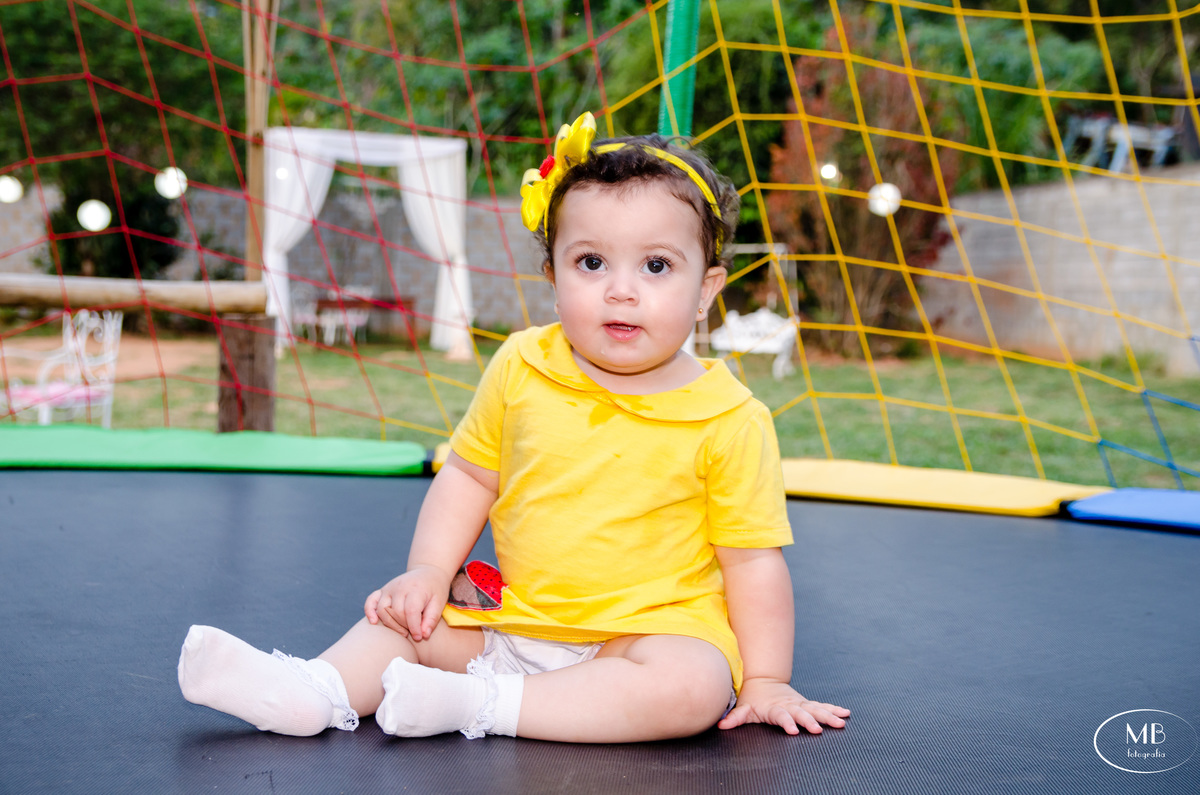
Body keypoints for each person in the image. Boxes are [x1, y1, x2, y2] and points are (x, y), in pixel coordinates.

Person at [178, 112, 849, 743]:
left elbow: (753, 561)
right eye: (592, 262)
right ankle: (311, 688)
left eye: (655, 266)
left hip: (644, 637)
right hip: (512, 623)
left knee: (693, 686)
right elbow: (470, 474)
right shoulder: (522, 362)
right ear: (553, 274)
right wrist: (427, 571)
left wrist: (764, 679)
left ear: (705, 289)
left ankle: (474, 705)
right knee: (401, 619)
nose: (621, 289)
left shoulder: (729, 417)